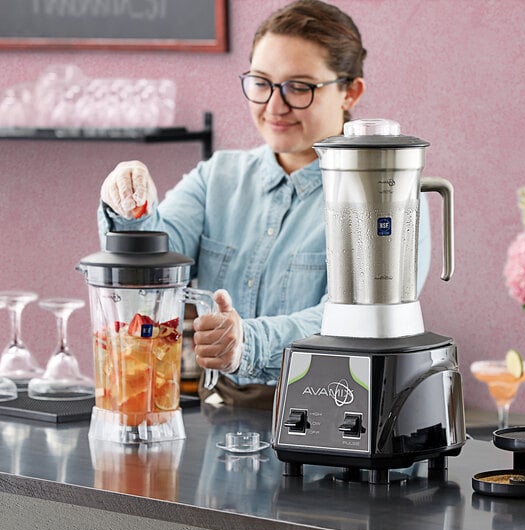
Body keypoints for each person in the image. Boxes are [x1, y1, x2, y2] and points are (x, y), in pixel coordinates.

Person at [98, 0, 431, 408]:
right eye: (261, 82)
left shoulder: (386, 194)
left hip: (336, 412)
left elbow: (360, 323)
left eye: (300, 87)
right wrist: (127, 205)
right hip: (219, 419)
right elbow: (147, 274)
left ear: (350, 91)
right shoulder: (216, 177)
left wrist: (247, 342)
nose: (274, 105)